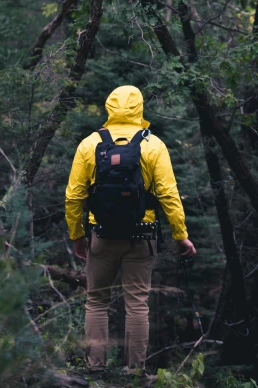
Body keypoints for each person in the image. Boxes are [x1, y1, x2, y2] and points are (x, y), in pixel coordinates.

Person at [65, 85, 197, 374]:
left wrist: (77, 237)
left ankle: (95, 368)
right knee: (137, 304)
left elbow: (74, 197)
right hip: (142, 237)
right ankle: (135, 372)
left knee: (96, 301)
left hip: (101, 235)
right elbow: (168, 195)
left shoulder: (89, 144)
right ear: (139, 108)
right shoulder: (154, 145)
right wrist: (181, 236)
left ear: (109, 107)